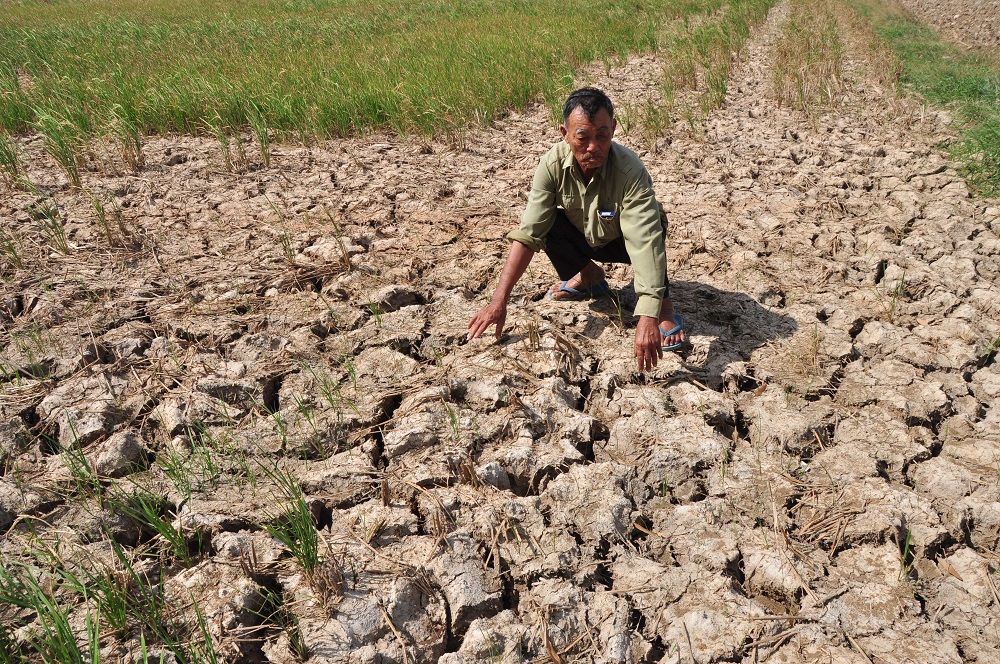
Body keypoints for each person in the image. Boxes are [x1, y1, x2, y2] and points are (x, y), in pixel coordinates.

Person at [467, 87, 684, 371]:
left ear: (614, 129)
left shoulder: (630, 171)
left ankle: (665, 305)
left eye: (602, 135)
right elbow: (529, 234)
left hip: (624, 240)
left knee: (654, 226)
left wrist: (649, 315)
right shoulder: (552, 165)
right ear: (565, 133)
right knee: (549, 224)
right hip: (587, 234)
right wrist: (498, 301)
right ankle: (589, 275)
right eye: (582, 137)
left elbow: (645, 242)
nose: (593, 147)